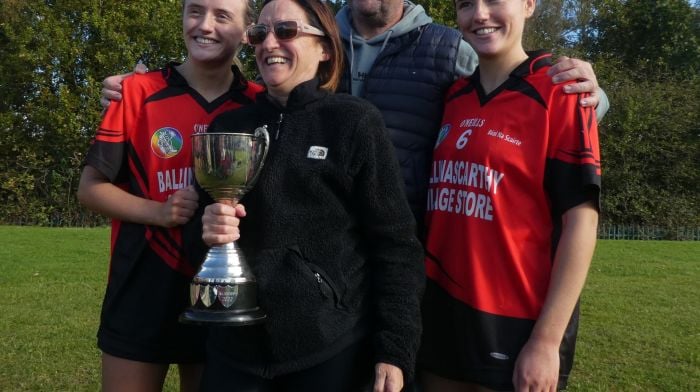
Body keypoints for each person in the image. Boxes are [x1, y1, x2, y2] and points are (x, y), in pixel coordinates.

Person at [100, 1, 607, 236]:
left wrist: (589, 93)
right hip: (316, 241)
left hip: (406, 240)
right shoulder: (312, 36)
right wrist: (146, 84)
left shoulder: (447, 46)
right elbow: (257, 80)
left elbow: (512, 97)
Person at [183, 0, 424, 391]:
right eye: (259, 34)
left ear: (325, 47)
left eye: (287, 31)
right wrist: (205, 232)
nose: (269, 43)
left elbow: (395, 246)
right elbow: (195, 240)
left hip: (330, 352)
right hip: (234, 351)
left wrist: (394, 351)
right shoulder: (228, 127)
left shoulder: (354, 122)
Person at [77, 0, 262, 390]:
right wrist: (158, 212)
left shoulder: (259, 105)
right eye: (195, 11)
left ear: (247, 32)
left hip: (224, 291)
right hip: (142, 286)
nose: (205, 25)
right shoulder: (137, 92)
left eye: (223, 16)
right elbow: (90, 189)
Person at [418, 0, 601, 391]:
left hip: (515, 325)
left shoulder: (561, 90)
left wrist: (547, 341)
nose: (480, 15)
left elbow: (582, 222)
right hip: (442, 315)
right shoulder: (452, 96)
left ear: (529, 5)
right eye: (466, 5)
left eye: (494, 1)